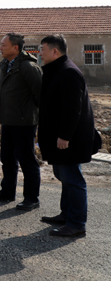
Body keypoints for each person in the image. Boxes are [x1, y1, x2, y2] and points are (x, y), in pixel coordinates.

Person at [38, 34, 100, 237]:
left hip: (70, 139)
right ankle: (66, 215)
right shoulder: (58, 70)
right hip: (60, 137)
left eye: (42, 49)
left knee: (73, 179)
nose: (39, 53)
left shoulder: (68, 72)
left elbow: (73, 110)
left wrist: (65, 136)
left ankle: (76, 224)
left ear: (55, 51)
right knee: (64, 176)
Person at [0, 34, 43, 210]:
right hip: (8, 120)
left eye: (3, 45)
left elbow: (40, 95)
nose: (0, 48)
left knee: (27, 161)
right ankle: (7, 192)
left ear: (15, 48)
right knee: (7, 159)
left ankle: (31, 198)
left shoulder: (28, 67)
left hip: (24, 123)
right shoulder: (6, 65)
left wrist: (34, 117)